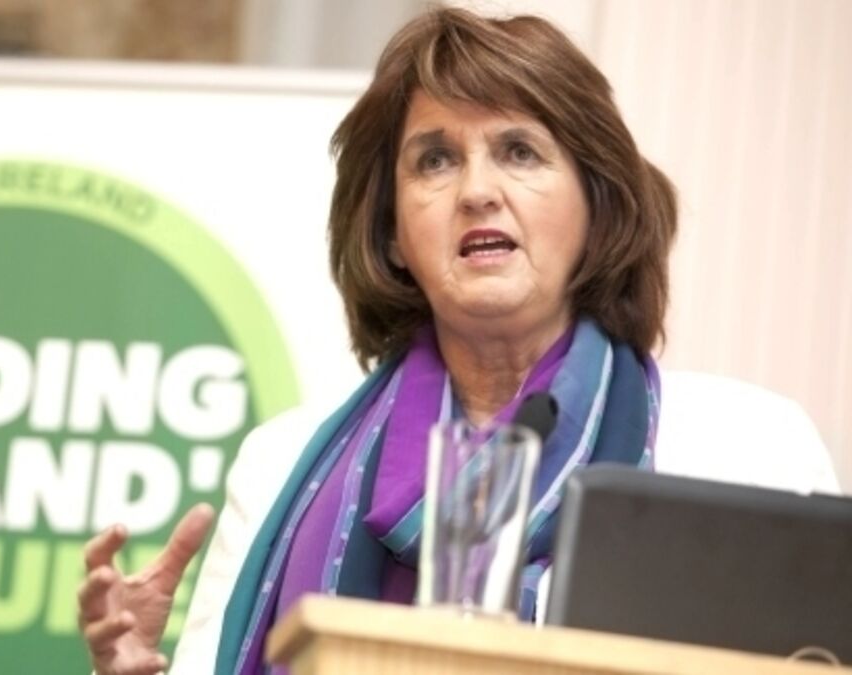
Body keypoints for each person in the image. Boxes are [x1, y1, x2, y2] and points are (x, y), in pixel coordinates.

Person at [76, 6, 833, 674]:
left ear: (597, 209)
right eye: (435, 160)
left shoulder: (749, 447)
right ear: (393, 232)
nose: (476, 191)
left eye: (520, 151)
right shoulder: (278, 463)